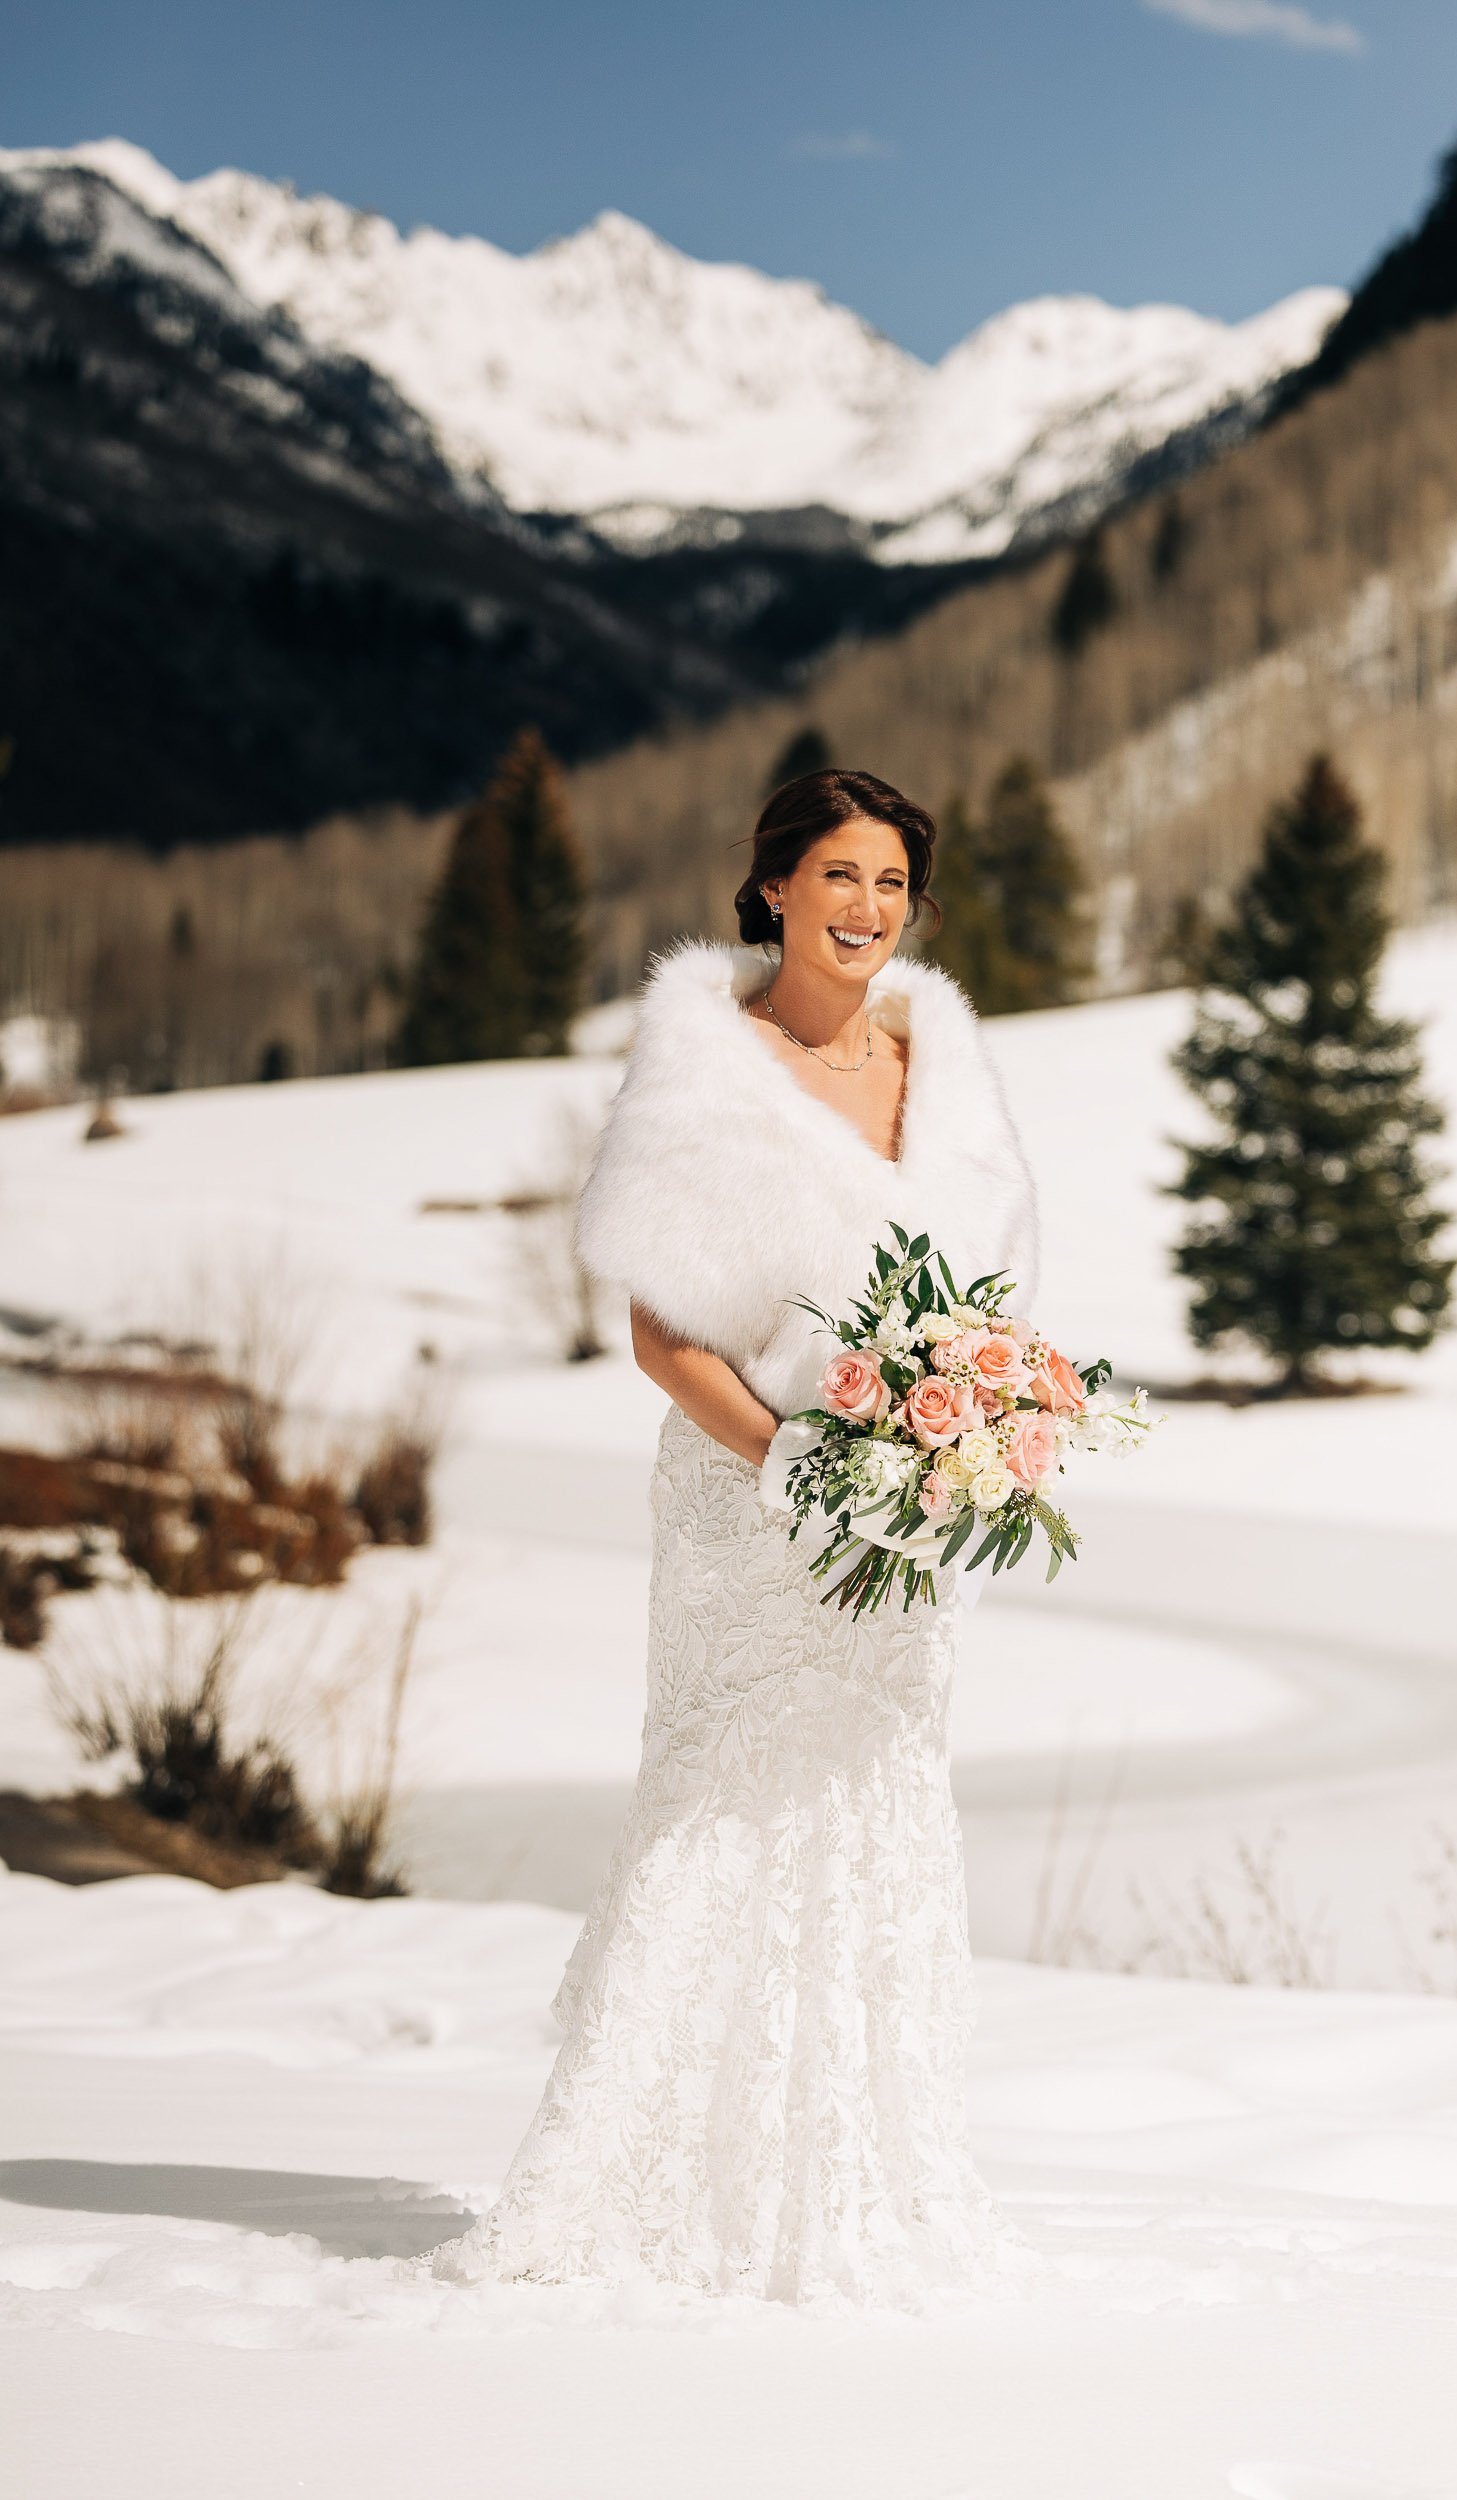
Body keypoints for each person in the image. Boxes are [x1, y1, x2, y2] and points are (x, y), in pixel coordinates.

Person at [430, 768, 1041, 2309]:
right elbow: (661, 1338)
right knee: (721, 1803)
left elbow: (991, 1298)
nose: (865, 910)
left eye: (892, 883)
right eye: (837, 875)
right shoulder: (707, 1069)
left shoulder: (944, 1070)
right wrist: (805, 1468)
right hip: (744, 1498)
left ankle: (850, 2179)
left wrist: (959, 1436)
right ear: (769, 886)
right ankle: (636, 2181)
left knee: (875, 1808)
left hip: (899, 1526)